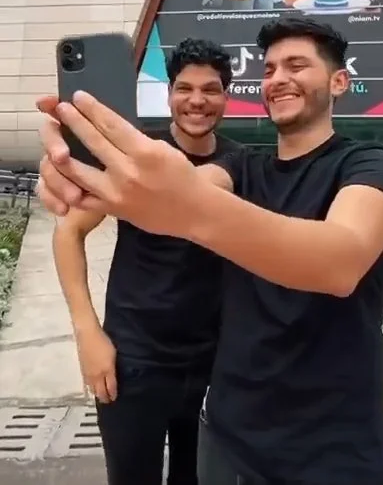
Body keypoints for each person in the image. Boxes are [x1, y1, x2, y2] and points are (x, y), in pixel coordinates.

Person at [36, 15, 383, 485]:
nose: (278, 79)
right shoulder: (241, 167)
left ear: (339, 81)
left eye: (296, 66)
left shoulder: (368, 166)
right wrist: (83, 174)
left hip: (330, 446)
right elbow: (184, 186)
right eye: (269, 69)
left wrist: (185, 209)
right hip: (224, 434)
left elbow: (339, 261)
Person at [48, 37, 241, 485]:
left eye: (211, 89)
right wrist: (88, 333)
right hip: (133, 362)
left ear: (226, 96)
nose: (197, 101)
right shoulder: (135, 159)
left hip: (216, 364)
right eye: (185, 88)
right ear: (170, 93)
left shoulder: (242, 162)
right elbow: (69, 231)